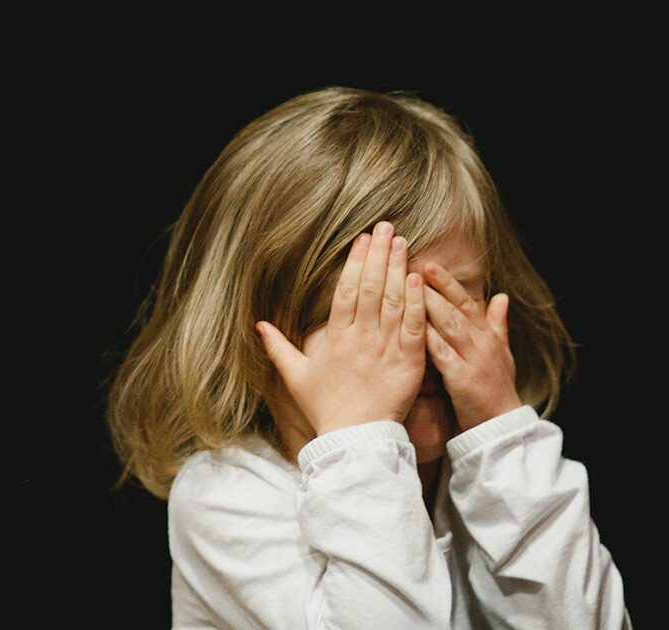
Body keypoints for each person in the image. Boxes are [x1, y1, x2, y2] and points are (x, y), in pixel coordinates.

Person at [107, 86, 633, 628]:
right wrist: (362, 438)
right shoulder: (225, 497)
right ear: (259, 334)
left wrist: (503, 437)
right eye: (373, 312)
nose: (416, 344)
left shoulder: (496, 478)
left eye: (449, 299)